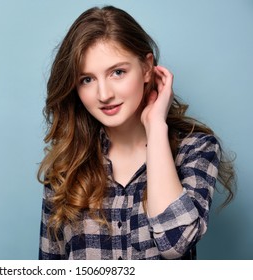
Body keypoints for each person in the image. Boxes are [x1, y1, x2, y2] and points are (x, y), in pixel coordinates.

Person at [37, 5, 235, 260]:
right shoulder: (66, 168)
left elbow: (175, 243)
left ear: (146, 68)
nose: (104, 94)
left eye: (117, 72)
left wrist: (155, 128)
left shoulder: (196, 149)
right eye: (87, 79)